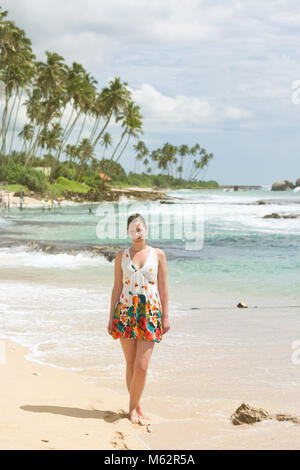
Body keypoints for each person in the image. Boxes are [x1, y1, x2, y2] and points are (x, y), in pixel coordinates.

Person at [108, 213, 170, 424]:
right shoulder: (121, 256)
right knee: (130, 363)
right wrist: (111, 317)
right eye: (133, 228)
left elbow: (163, 288)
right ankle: (135, 407)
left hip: (150, 313)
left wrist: (165, 317)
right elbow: (117, 288)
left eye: (140, 227)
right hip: (125, 312)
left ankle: (132, 406)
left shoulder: (158, 255)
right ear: (128, 232)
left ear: (146, 229)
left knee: (141, 366)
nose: (137, 231)